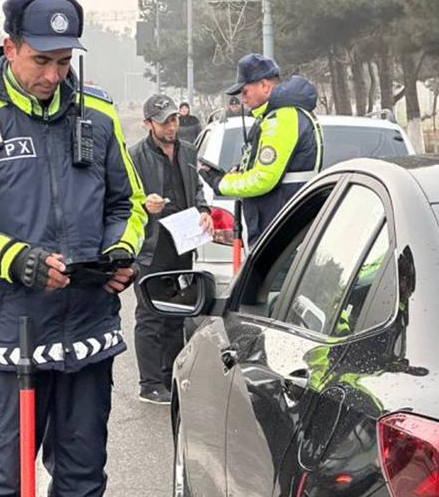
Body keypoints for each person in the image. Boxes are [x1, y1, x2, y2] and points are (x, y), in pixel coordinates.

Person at [0, 0, 147, 496]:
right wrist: (14, 258)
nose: (52, 76)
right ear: (10, 47)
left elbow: (127, 204)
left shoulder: (100, 115)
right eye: (40, 59)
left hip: (88, 333)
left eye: (64, 62)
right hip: (7, 341)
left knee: (83, 483)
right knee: (4, 485)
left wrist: (120, 250)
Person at [128, 94, 213, 404]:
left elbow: (197, 188)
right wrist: (143, 204)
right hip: (151, 245)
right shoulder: (135, 155)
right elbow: (120, 197)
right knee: (150, 313)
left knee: (176, 312)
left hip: (183, 240)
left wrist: (203, 209)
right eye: (164, 121)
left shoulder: (188, 151)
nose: (171, 126)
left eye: (174, 119)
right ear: (148, 123)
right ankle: (149, 383)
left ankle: (170, 376)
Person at [199, 53, 323, 243]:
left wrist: (220, 183)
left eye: (245, 91)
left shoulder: (281, 118)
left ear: (264, 85)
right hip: (282, 224)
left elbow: (263, 178)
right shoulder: (276, 115)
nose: (242, 99)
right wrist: (239, 172)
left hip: (281, 229)